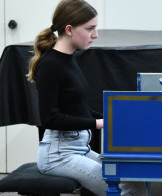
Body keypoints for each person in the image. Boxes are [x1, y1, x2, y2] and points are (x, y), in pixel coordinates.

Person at [26, 0, 147, 195]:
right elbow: (50, 118)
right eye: (90, 28)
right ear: (69, 29)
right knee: (128, 189)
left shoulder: (69, 58)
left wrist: (111, 119)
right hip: (58, 155)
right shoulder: (50, 65)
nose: (95, 34)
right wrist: (97, 123)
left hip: (78, 148)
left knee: (135, 181)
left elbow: (78, 108)